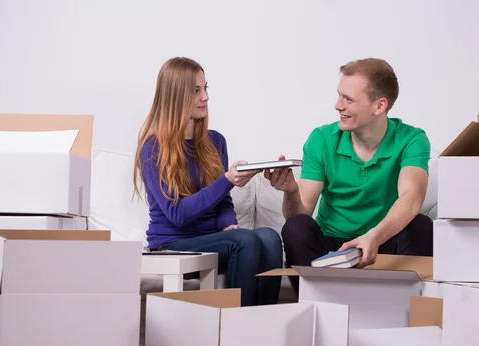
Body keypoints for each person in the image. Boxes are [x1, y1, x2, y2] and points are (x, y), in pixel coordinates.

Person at [265, 58, 433, 294]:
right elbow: (299, 214)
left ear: (379, 106)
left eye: (348, 99)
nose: (337, 105)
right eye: (338, 95)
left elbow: (412, 197)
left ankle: (401, 306)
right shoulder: (321, 139)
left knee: (421, 226)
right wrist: (291, 192)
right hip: (332, 247)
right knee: (296, 227)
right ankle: (319, 303)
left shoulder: (412, 139)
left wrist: (373, 237)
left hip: (383, 240)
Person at [133, 57, 281, 306]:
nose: (206, 97)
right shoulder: (153, 148)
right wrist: (227, 180)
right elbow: (177, 214)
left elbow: (222, 203)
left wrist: (228, 225)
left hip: (214, 240)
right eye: (196, 91)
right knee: (244, 241)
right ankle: (237, 329)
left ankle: (263, 327)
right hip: (172, 243)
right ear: (175, 96)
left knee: (269, 237)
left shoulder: (215, 142)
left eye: (206, 88)